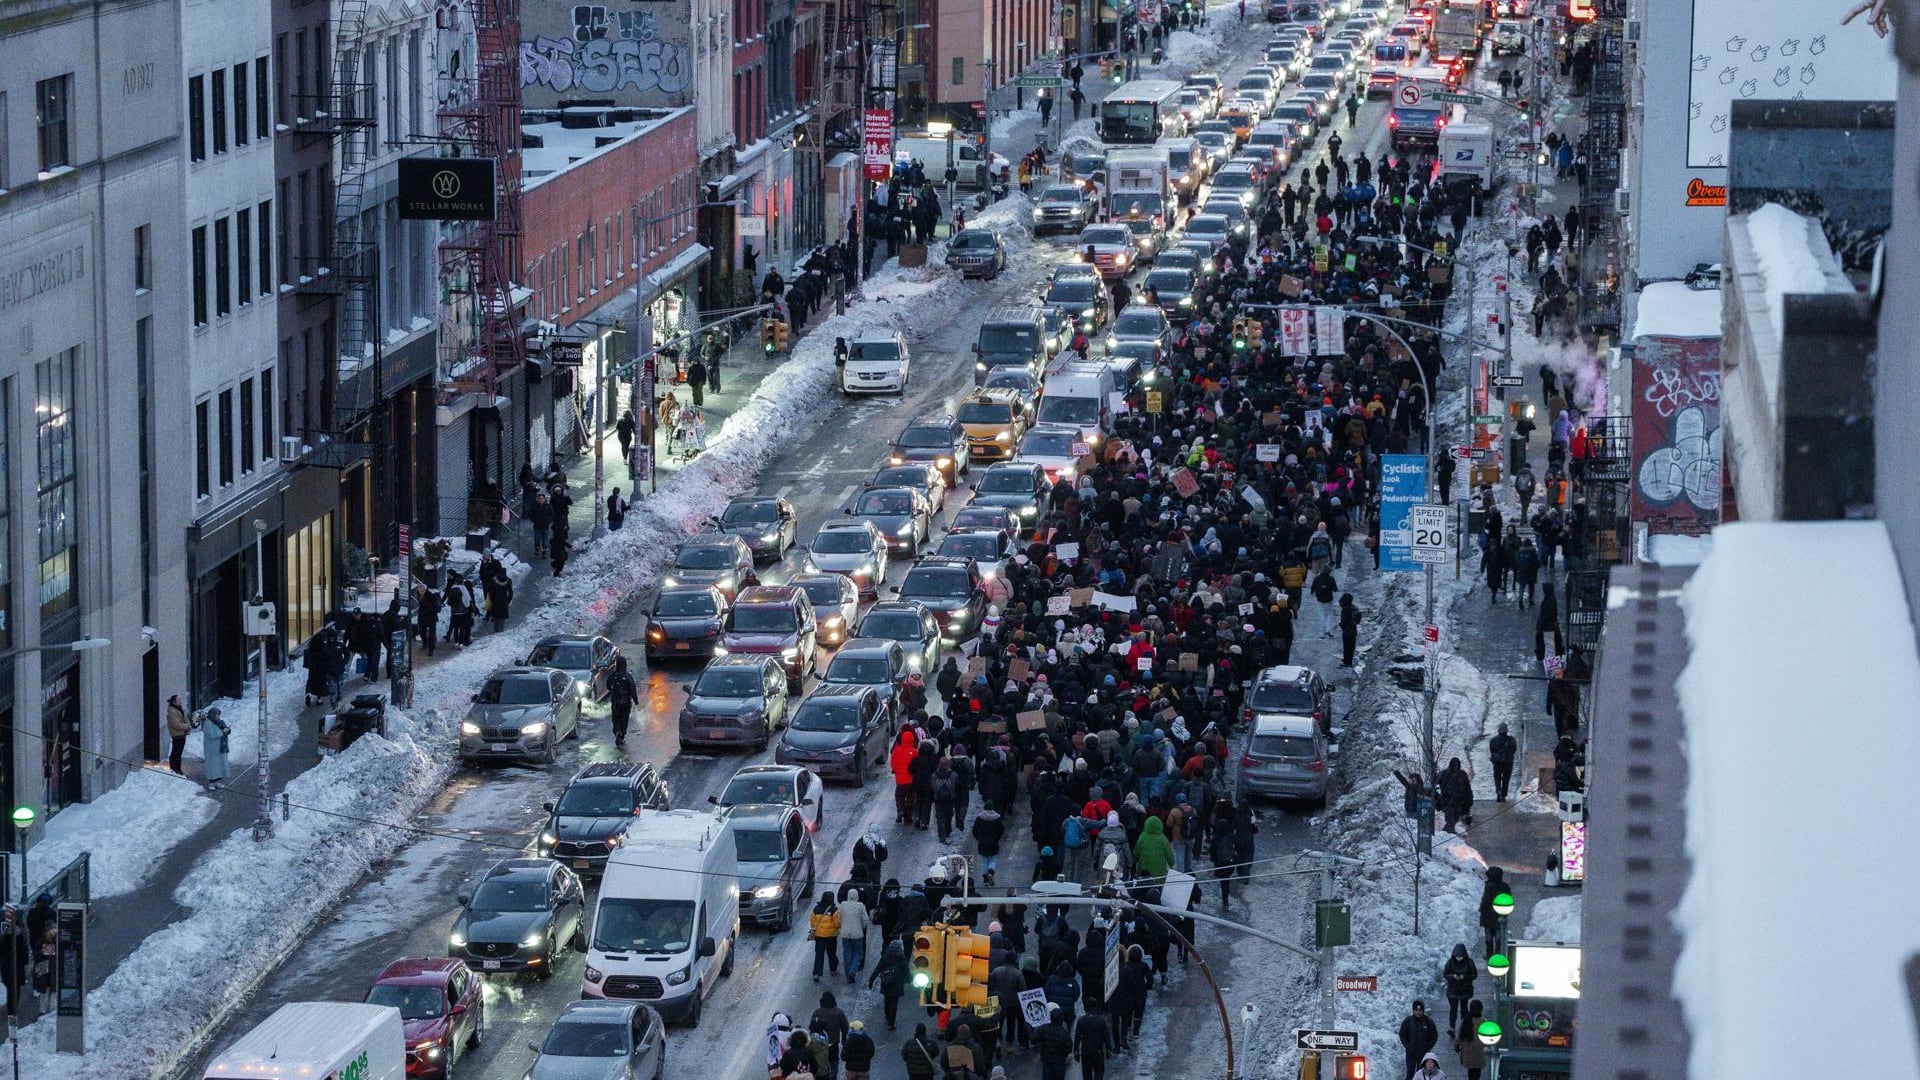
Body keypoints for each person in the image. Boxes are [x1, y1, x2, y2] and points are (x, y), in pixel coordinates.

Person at [868, 938, 909, 1029]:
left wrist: (871, 981)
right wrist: (909, 980)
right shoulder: (902, 958)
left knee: (887, 1000)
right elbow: (906, 970)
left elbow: (877, 969)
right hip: (897, 984)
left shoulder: (885, 957)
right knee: (894, 1003)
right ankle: (891, 1023)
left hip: (886, 982)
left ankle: (887, 1016)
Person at [1398, 1001, 1440, 1080]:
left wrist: (1428, 1047)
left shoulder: (1428, 1022)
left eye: (1420, 1010)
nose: (1418, 1012)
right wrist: (1407, 1046)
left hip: (1423, 1054)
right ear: (1413, 1011)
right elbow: (1402, 1034)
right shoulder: (1408, 1021)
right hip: (1411, 1053)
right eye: (1416, 1010)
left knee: (1422, 1074)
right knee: (1410, 1073)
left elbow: (1434, 1036)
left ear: (1423, 1011)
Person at [837, 885, 870, 983]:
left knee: (847, 953)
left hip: (845, 933)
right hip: (857, 934)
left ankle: (848, 976)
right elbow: (865, 920)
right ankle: (853, 970)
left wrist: (842, 926)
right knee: (858, 953)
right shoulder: (860, 906)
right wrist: (862, 926)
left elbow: (839, 918)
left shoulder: (842, 905)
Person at [1074, 999, 1112, 1080]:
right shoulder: (1101, 1020)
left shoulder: (1081, 1020)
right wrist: (1109, 1049)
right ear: (1096, 1006)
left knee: (1086, 1073)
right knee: (1099, 1071)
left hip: (1085, 1051)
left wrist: (1076, 1051)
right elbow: (1106, 1036)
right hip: (1098, 1051)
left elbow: (1077, 1037)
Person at [1035, 1004, 1075, 1080]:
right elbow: (1068, 1049)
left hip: (1047, 1062)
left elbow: (1034, 1039)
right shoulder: (1065, 1033)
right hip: (1059, 1063)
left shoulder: (1044, 1029)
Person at [809, 891, 841, 981]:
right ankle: (833, 969)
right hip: (831, 936)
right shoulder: (835, 910)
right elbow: (837, 924)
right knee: (831, 953)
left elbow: (812, 922)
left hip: (819, 936)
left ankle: (817, 973)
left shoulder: (816, 909)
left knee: (819, 954)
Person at [606, 656, 638, 747]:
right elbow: (632, 689)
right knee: (624, 718)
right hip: (626, 703)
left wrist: (612, 691)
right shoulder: (628, 676)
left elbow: (608, 685)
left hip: (615, 702)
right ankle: (622, 733)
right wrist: (635, 700)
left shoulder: (613, 676)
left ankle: (617, 731)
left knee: (616, 719)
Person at [1443, 943, 1476, 1030]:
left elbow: (1474, 975)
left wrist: (1464, 977)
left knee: (1464, 1009)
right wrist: (1453, 977)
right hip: (1453, 990)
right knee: (1453, 1010)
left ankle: (1463, 1026)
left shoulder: (1469, 962)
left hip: (1464, 990)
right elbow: (1445, 974)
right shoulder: (1450, 962)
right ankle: (1452, 1027)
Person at [199, 706, 232, 791]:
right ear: (212, 715)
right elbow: (211, 734)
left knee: (219, 765)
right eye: (216, 715)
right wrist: (222, 732)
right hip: (211, 748)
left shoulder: (220, 722)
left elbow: (225, 729)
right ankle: (211, 782)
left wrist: (227, 730)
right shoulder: (207, 723)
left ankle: (217, 781)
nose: (218, 716)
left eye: (218, 715)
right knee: (212, 766)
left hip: (220, 747)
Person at [1437, 757, 1473, 833]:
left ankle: (1448, 834)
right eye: (1454, 766)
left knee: (1455, 819)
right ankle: (1448, 834)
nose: (1455, 767)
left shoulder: (1462, 774)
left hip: (1459, 802)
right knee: (1450, 820)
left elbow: (1467, 788)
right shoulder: (1445, 774)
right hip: (1448, 802)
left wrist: (1469, 800)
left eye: (1457, 765)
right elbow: (1436, 780)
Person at [0, 905, 24, 1017]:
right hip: (17, 965)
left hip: (7, 965)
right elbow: (24, 953)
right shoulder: (22, 934)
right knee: (16, 987)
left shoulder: (5, 934)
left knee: (10, 987)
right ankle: (13, 1009)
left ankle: (11, 1008)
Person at [1455, 1000, 1488, 1080]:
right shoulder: (1483, 1022)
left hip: (1468, 1051)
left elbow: (1460, 1035)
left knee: (1471, 1071)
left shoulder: (1466, 1020)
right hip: (1479, 1052)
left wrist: (1457, 1045)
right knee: (1477, 1072)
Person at [1487, 723, 1517, 802]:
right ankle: (1503, 795)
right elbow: (1514, 749)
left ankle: (1498, 791)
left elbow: (1491, 750)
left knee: (1497, 778)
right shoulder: (1511, 739)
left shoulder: (1493, 740)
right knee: (1506, 779)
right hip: (1508, 762)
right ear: (1506, 730)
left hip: (1497, 763)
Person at [166, 694, 192, 774]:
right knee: (176, 752)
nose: (180, 701)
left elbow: (185, 719)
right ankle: (175, 769)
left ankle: (177, 769)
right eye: (178, 700)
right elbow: (176, 725)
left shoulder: (179, 709)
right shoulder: (172, 711)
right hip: (177, 734)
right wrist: (187, 726)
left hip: (182, 733)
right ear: (174, 702)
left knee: (178, 752)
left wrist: (188, 726)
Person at [1339, 593, 1363, 668]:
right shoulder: (1353, 608)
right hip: (1353, 630)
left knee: (1346, 647)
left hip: (1347, 630)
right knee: (1351, 646)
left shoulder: (1345, 610)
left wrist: (1341, 625)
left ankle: (1346, 662)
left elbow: (1343, 621)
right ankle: (1349, 661)